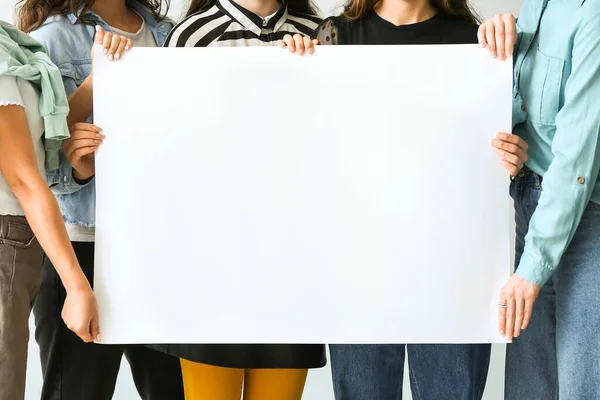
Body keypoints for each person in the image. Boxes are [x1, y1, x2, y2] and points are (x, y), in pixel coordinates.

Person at [279, 2, 526, 400]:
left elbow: (497, 150)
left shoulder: (476, 42)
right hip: (360, 276)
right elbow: (301, 148)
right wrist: (289, 70)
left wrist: (514, 157)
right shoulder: (333, 37)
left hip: (452, 276)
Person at [154, 1, 325, 399]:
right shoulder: (190, 37)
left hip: (293, 270)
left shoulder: (320, 33)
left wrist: (313, 72)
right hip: (210, 271)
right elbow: (164, 150)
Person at [17, 1, 185, 399]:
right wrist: (78, 169)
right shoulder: (47, 40)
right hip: (79, 249)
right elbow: (29, 165)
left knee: (175, 391)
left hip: (161, 248)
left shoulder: (169, 33)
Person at [479, 1, 600, 398]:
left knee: (581, 387)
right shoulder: (536, 5)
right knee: (527, 390)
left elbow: (577, 157)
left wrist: (532, 267)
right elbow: (524, 111)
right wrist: (495, 53)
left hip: (587, 223)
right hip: (529, 205)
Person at [0, 20, 99, 400]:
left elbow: (35, 142)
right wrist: (77, 286)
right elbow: (25, 181)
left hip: (20, 242)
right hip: (8, 237)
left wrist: (95, 82)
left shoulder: (12, 44)